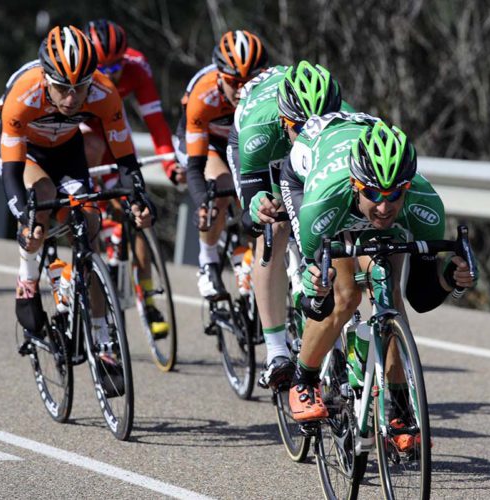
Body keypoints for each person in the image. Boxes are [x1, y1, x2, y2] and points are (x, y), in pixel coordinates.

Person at [280, 114, 476, 451]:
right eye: (374, 193)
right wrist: (316, 286)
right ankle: (304, 378)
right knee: (343, 296)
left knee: (390, 296)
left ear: (408, 187)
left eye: (395, 194)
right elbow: (318, 302)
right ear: (358, 185)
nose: (385, 206)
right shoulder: (324, 200)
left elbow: (421, 296)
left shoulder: (423, 204)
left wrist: (450, 279)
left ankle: (397, 409)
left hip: (356, 201)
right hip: (310, 182)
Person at [0, 25, 153, 358]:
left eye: (80, 88)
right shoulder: (23, 94)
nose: (71, 98)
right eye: (62, 88)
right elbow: (11, 171)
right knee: (41, 204)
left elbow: (125, 158)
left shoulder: (104, 93)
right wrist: (25, 217)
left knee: (89, 227)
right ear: (45, 78)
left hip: (66, 151)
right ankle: (28, 279)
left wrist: (138, 195)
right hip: (24, 153)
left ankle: (102, 335)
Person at [227, 61, 350, 389]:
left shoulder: (344, 117)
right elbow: (252, 213)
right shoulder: (260, 127)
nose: (310, 136)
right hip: (260, 146)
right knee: (272, 228)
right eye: (300, 128)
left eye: (319, 126)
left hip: (312, 157)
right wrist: (260, 207)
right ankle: (276, 350)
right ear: (285, 119)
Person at [83, 19, 177, 338]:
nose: (113, 75)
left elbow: (155, 121)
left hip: (116, 140)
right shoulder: (81, 70)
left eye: (116, 67)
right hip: (85, 144)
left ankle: (148, 300)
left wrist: (169, 165)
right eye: (104, 70)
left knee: (139, 217)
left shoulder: (136, 66)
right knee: (89, 152)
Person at [175, 30, 268, 299]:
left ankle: (254, 259)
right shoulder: (203, 96)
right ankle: (208, 262)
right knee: (223, 186)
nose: (242, 89)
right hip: (208, 143)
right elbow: (195, 167)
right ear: (219, 76)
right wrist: (203, 201)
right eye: (233, 81)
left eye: (251, 80)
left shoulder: (272, 90)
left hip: (246, 141)